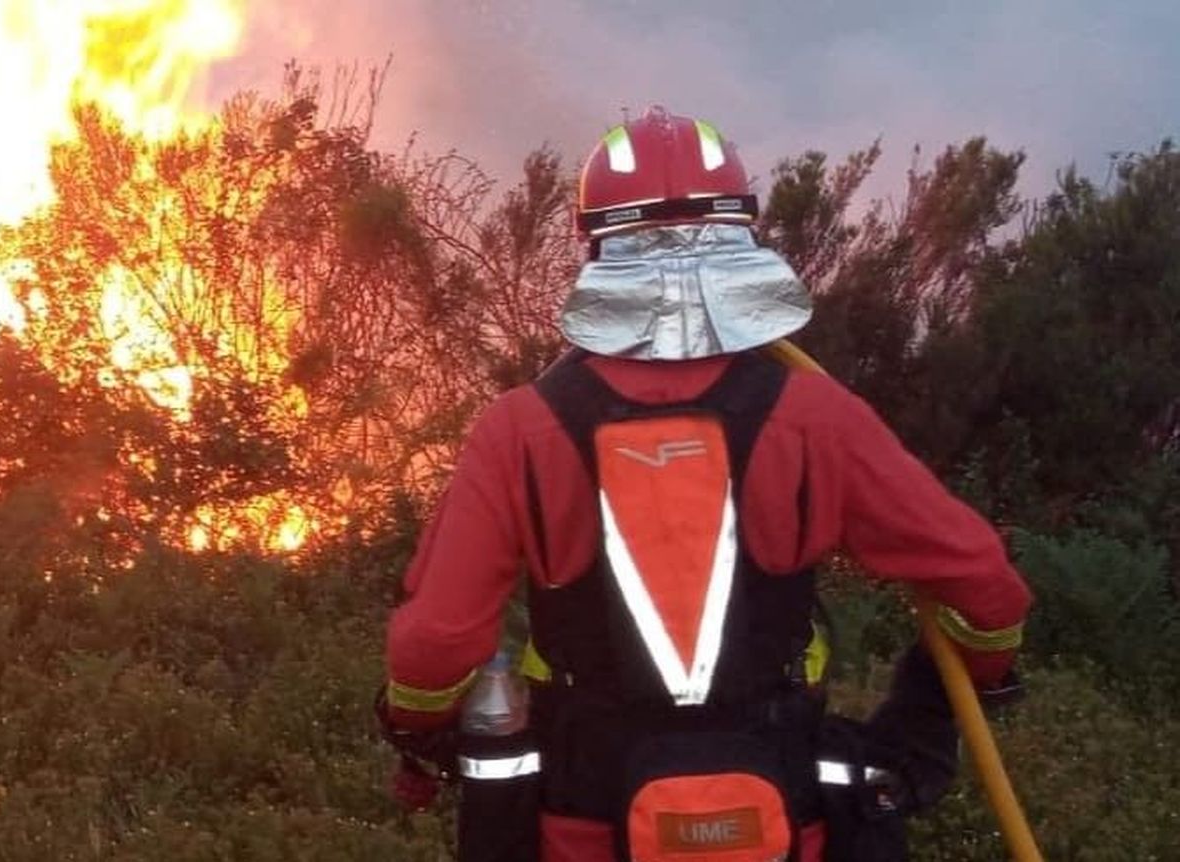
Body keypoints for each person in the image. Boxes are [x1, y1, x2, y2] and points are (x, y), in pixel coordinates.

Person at [379, 106, 1032, 862]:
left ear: (593, 243)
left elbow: (439, 639)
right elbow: (982, 584)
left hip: (580, 828)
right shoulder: (812, 414)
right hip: (786, 821)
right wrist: (961, 686)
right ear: (746, 230)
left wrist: (418, 725)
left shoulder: (521, 428)